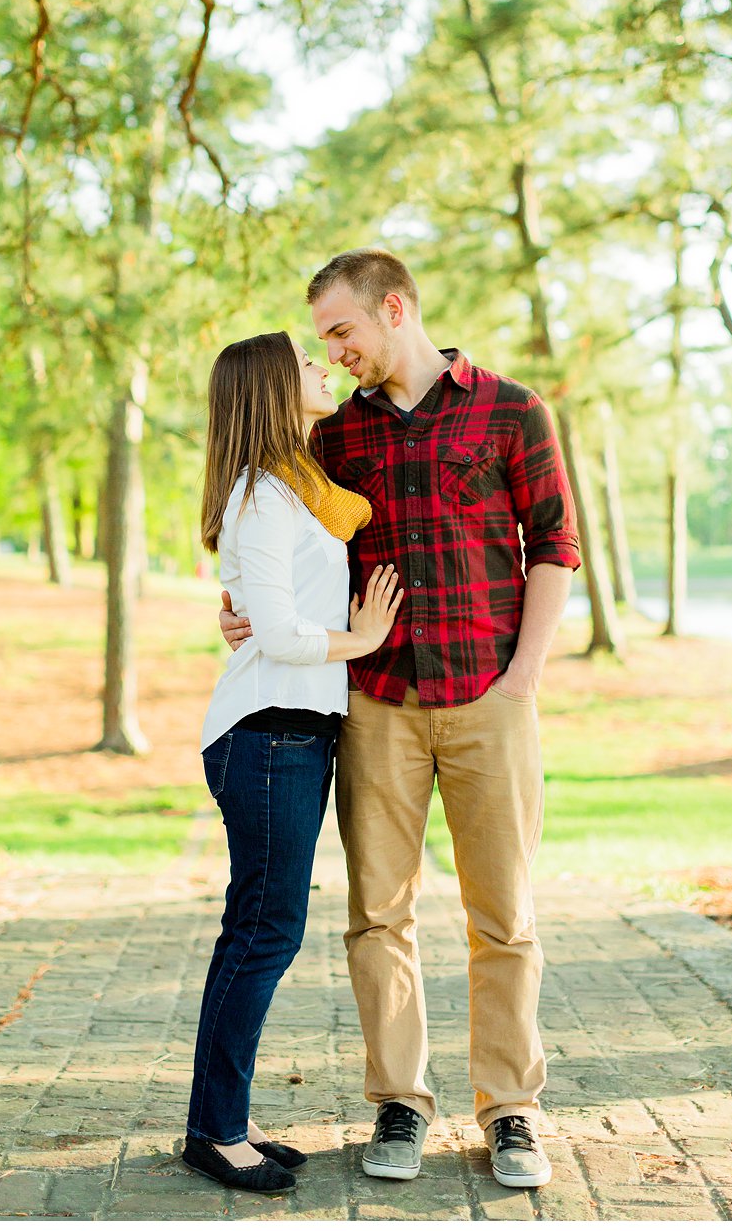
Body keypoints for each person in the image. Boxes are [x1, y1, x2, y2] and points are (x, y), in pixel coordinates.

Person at [221, 250, 579, 1193]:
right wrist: (245, 612)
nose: (332, 354)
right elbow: (270, 540)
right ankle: (399, 1100)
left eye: (342, 332)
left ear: (394, 308)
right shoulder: (332, 438)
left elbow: (555, 546)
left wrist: (524, 676)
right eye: (324, 340)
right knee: (378, 914)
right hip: (375, 701)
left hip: (489, 701)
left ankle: (510, 1111)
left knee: (503, 915)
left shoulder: (512, 410)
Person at [186, 332, 402, 1194]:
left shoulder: (286, 488)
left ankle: (221, 1119)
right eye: (307, 365)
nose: (325, 369)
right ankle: (215, 1132)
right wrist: (367, 640)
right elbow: (277, 635)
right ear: (273, 390)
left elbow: (261, 609)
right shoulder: (267, 499)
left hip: (291, 735)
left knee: (260, 931)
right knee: (261, 934)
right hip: (269, 737)